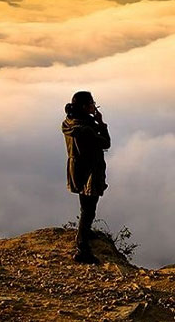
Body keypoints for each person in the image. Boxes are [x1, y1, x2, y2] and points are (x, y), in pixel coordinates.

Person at [62, 91, 111, 264]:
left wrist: (94, 120)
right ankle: (82, 249)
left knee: (85, 206)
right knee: (89, 208)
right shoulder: (86, 129)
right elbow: (106, 143)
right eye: (92, 103)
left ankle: (85, 232)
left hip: (76, 168)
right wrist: (101, 122)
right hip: (90, 171)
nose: (94, 106)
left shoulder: (69, 122)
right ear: (84, 106)